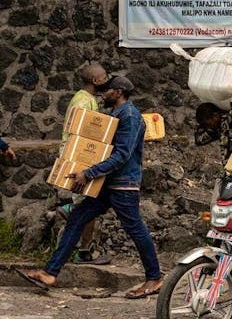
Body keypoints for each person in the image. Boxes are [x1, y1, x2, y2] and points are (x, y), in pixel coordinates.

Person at [18, 76, 163, 298]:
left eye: (106, 91)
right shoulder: (117, 114)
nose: (102, 94)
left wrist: (89, 173)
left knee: (135, 229)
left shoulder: (130, 116)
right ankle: (50, 273)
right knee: (77, 217)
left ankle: (154, 278)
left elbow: (122, 155)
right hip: (108, 183)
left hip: (123, 185)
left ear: (119, 91)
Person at [58, 63, 110, 264]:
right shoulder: (82, 101)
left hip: (83, 156)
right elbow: (78, 131)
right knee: (85, 205)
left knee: (90, 205)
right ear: (96, 80)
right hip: (79, 156)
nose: (107, 80)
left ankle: (84, 251)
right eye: (104, 77)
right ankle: (70, 211)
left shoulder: (89, 99)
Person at [194, 70, 232, 160]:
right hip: (231, 168)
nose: (209, 126)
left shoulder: (230, 119)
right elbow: (199, 140)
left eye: (208, 123)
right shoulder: (218, 129)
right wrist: (204, 125)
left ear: (215, 115)